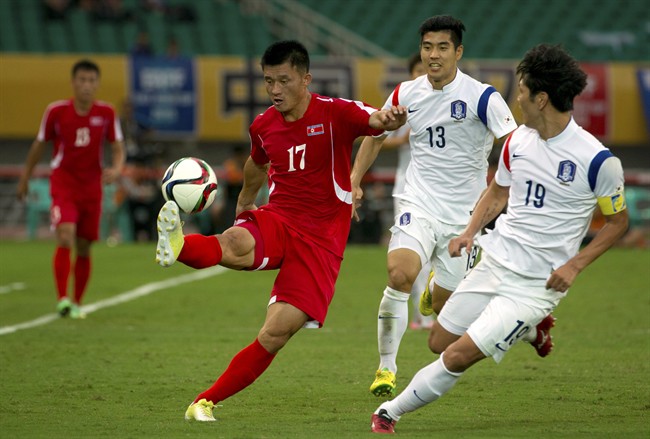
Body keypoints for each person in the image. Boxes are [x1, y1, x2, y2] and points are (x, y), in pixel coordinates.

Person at [369, 43, 629, 434]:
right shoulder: (517, 142)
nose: (517, 97)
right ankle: (532, 330)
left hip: (534, 286)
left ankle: (389, 412)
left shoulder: (597, 160)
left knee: (456, 356)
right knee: (438, 341)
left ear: (541, 98)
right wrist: (469, 233)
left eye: (522, 90)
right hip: (493, 261)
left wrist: (575, 265)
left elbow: (618, 222)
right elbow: (496, 193)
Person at [154, 40, 406, 422]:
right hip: (281, 217)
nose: (274, 90)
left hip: (322, 241)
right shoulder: (263, 125)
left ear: (305, 79)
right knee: (234, 242)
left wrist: (389, 119)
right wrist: (244, 202)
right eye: (268, 81)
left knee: (275, 333)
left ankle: (203, 401)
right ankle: (178, 244)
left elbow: (374, 120)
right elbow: (257, 162)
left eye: (283, 81)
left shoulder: (335, 112)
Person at [350, 15, 518, 397]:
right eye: (427, 47)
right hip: (419, 203)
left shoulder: (483, 97)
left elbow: (514, 146)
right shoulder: (407, 93)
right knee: (398, 274)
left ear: (458, 52)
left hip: (465, 219)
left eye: (443, 47)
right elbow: (376, 134)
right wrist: (355, 180)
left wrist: (509, 193)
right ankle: (386, 368)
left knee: (441, 306)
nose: (434, 55)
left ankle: (434, 290)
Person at [17, 59, 125, 319]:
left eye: (91, 81)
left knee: (85, 245)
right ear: (73, 82)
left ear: (97, 84)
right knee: (65, 235)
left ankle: (76, 301)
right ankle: (62, 298)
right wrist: (25, 177)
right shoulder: (56, 111)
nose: (86, 85)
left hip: (92, 186)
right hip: (64, 183)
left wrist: (118, 168)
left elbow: (118, 146)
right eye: (82, 80)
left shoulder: (107, 113)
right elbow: (39, 145)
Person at [381, 53, 432, 331]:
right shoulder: (404, 103)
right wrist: (401, 137)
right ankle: (422, 316)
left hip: (438, 189)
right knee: (411, 254)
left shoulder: (444, 102)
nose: (420, 74)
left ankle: (434, 310)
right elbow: (378, 138)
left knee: (439, 255)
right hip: (407, 187)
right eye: (416, 70)